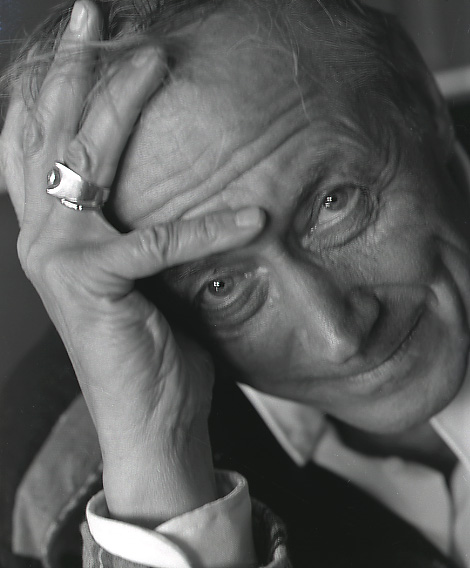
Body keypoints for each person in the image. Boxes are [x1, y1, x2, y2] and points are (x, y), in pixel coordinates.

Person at [1, 0, 470, 566]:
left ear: (418, 98)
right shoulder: (42, 489)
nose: (339, 338)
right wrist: (159, 468)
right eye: (222, 286)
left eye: (334, 203)